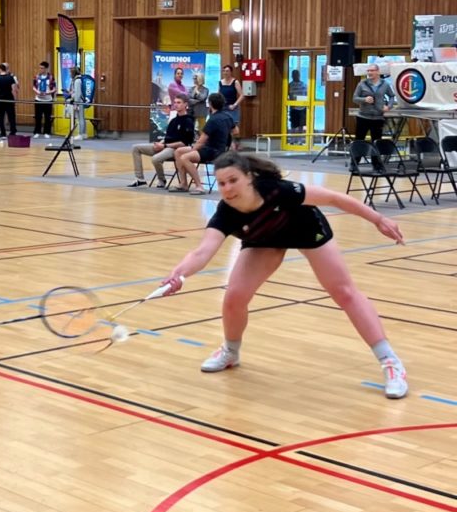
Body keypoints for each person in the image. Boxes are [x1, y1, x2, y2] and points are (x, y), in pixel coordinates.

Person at [159, 152, 408, 399]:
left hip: (306, 230)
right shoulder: (226, 212)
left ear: (249, 177)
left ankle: (391, 363)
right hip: (264, 240)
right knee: (234, 297)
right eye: (222, 183)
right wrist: (179, 274)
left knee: (343, 293)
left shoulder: (278, 190)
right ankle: (230, 352)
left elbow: (334, 198)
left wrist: (378, 219)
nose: (227, 188)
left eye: (233, 180)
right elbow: (203, 252)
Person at [172, 91, 234, 193]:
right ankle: (183, 184)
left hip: (212, 151)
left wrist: (192, 150)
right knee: (178, 151)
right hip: (220, 149)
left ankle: (199, 186)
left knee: (184, 157)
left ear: (210, 104)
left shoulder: (212, 120)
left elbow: (200, 142)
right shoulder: (227, 117)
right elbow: (236, 131)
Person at [128, 94, 194, 188]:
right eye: (175, 103)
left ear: (185, 104)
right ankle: (140, 179)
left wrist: (164, 146)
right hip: (165, 145)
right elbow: (168, 136)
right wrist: (160, 143)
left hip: (175, 149)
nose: (176, 105)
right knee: (136, 148)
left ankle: (161, 179)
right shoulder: (173, 121)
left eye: (179, 103)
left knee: (155, 159)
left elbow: (184, 143)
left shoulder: (188, 121)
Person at [352, 63, 395, 143]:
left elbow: (392, 96)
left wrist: (389, 106)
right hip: (363, 117)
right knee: (359, 141)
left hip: (378, 118)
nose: (369, 73)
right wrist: (364, 99)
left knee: (376, 142)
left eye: (372, 70)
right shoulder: (362, 84)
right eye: (368, 71)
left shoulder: (385, 84)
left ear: (378, 72)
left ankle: (375, 156)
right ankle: (358, 155)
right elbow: (354, 98)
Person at [0, 62, 19, 139]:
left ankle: (3, 132)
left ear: (0, 69)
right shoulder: (10, 78)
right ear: (5, 69)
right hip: (9, 99)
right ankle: (13, 132)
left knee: (0, 117)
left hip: (0, 100)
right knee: (11, 116)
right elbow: (14, 89)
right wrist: (15, 100)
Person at [218, 64, 244, 147]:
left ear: (231, 72)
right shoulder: (220, 82)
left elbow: (242, 95)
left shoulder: (235, 82)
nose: (225, 73)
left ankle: (234, 143)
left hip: (232, 108)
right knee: (223, 126)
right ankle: (227, 144)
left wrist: (235, 104)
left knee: (234, 128)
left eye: (227, 71)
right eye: (224, 71)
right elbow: (218, 95)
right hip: (223, 108)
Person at [32, 60, 56, 138]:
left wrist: (48, 93)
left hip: (48, 100)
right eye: (40, 68)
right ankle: (37, 131)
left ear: (46, 69)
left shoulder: (51, 77)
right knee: (38, 116)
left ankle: (47, 132)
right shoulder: (36, 77)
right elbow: (34, 87)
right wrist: (37, 92)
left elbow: (54, 89)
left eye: (42, 68)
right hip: (38, 99)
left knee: (47, 117)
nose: (40, 70)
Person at [287, 70, 307, 144]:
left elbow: (307, 94)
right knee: (293, 125)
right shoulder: (290, 85)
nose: (295, 76)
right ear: (292, 76)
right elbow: (288, 95)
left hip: (302, 107)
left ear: (299, 75)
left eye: (297, 74)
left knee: (301, 125)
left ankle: (300, 140)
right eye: (294, 75)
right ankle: (292, 140)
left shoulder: (303, 84)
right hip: (294, 107)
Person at [68, 66, 87, 140]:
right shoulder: (78, 79)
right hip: (80, 101)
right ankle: (84, 134)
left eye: (70, 72)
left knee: (80, 118)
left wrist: (76, 103)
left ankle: (81, 134)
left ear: (73, 73)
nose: (69, 74)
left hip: (79, 101)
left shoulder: (77, 81)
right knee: (82, 117)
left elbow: (78, 93)